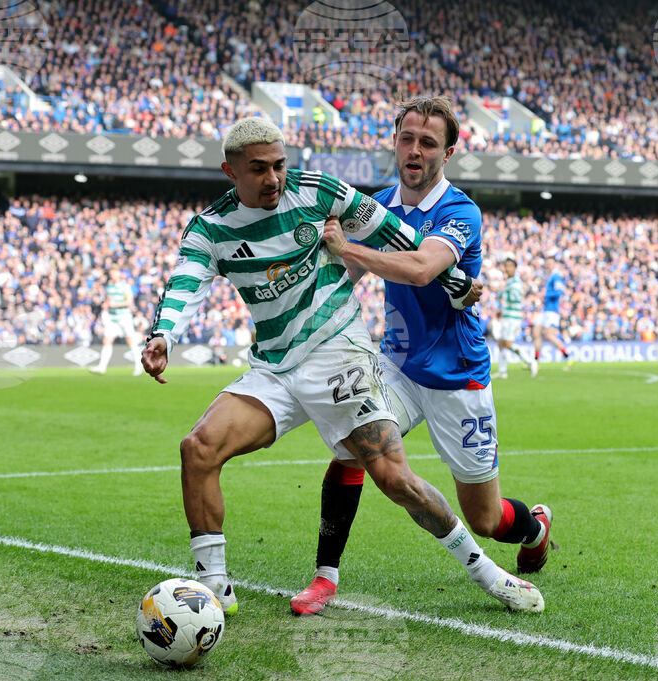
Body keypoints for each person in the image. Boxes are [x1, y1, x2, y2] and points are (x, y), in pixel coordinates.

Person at [141, 117, 544, 617]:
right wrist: (163, 334)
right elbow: (185, 282)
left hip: (370, 359)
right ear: (231, 172)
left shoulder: (325, 192)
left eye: (280, 165)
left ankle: (490, 569)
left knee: (402, 481)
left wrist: (455, 281)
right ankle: (216, 591)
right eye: (259, 169)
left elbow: (403, 243)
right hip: (287, 366)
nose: (273, 178)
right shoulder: (210, 228)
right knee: (198, 448)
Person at [286, 98, 551, 616]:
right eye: (407, 138)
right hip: (398, 366)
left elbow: (421, 268)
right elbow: (346, 276)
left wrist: (347, 248)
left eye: (428, 142)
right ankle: (324, 577)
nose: (414, 150)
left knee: (485, 518)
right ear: (394, 142)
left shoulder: (459, 212)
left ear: (447, 153)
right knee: (352, 449)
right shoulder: (378, 205)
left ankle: (534, 528)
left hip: (457, 376)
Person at [91, 269, 145, 376]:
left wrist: (115, 304)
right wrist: (105, 304)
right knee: (107, 340)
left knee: (130, 341)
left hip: (124, 317)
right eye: (111, 274)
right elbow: (108, 299)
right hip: (112, 318)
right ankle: (102, 367)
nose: (112, 275)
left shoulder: (125, 286)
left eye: (114, 273)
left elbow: (129, 301)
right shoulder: (109, 286)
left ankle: (139, 366)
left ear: (118, 274)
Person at [493, 257, 536, 378]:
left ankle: (530, 361)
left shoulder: (516, 282)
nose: (507, 268)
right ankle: (502, 372)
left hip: (513, 317)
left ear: (515, 268)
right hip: (507, 315)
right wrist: (501, 310)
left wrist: (504, 291)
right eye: (506, 266)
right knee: (501, 342)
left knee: (508, 343)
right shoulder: (509, 281)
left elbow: (515, 298)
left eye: (510, 266)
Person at [532, 252, 573, 371]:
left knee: (549, 335)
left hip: (552, 311)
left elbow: (560, 292)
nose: (548, 265)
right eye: (547, 263)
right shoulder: (549, 276)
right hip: (545, 311)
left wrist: (546, 294)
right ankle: (535, 361)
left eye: (550, 263)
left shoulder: (556, 276)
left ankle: (568, 356)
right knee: (536, 332)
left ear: (554, 264)